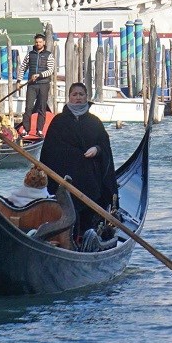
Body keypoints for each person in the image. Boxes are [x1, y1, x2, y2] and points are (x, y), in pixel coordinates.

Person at [39, 82, 118, 250]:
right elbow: (49, 151)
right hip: (65, 180)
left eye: (81, 94)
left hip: (90, 179)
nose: (78, 98)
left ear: (86, 97)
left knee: (91, 204)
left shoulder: (95, 122)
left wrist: (97, 150)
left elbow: (104, 147)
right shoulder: (58, 121)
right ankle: (68, 238)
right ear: (69, 97)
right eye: (74, 94)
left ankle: (86, 237)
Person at [18, 33, 55, 137]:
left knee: (42, 108)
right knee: (28, 107)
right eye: (37, 42)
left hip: (43, 84)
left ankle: (39, 130)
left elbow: (50, 70)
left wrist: (39, 75)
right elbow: (23, 67)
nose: (38, 44)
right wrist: (18, 81)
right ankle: (26, 129)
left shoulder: (49, 55)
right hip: (32, 85)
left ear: (44, 42)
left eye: (40, 42)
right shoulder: (30, 54)